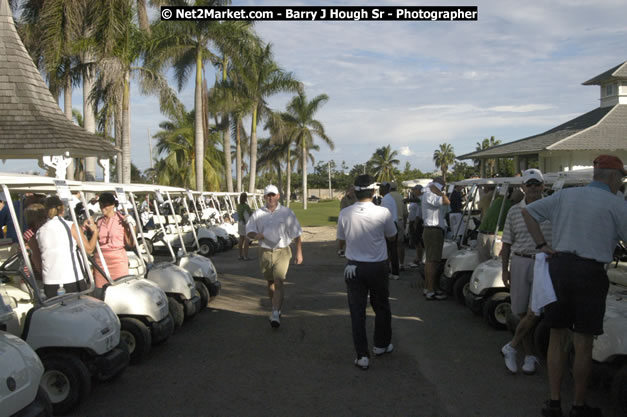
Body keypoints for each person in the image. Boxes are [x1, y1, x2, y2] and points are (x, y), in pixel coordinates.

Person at [522, 155, 627, 417]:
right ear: (613, 177)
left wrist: (540, 245)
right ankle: (579, 406)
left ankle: (554, 403)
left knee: (557, 336)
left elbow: (527, 211)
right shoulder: (616, 204)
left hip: (559, 266)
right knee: (583, 342)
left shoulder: (567, 196)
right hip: (590, 272)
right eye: (621, 178)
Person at [337, 175, 397, 370]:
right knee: (381, 306)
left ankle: (362, 355)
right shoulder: (383, 212)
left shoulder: (345, 213)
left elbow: (341, 240)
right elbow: (392, 235)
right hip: (377, 266)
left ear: (355, 191)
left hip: (354, 266)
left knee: (357, 311)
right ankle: (381, 345)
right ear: (373, 191)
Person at [500, 169, 552, 376]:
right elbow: (506, 242)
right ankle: (529, 355)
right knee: (522, 312)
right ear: (522, 187)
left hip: (544, 263)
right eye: (528, 184)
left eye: (536, 184)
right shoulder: (514, 211)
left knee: (534, 311)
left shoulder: (552, 208)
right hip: (520, 260)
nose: (532, 188)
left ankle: (511, 346)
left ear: (543, 186)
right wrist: (505, 270)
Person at [246, 184, 303, 328]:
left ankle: (275, 312)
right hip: (265, 251)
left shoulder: (286, 212)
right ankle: (275, 306)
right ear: (265, 197)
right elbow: (249, 231)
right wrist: (256, 235)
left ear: (278, 196)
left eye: (273, 195)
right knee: (270, 282)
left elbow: (297, 233)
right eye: (268, 195)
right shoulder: (258, 214)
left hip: (282, 251)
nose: (271, 198)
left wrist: (299, 252)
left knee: (278, 281)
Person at [31, 196, 98, 298]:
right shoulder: (71, 226)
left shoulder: (40, 231)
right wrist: (95, 233)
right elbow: (89, 249)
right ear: (62, 210)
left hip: (50, 281)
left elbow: (36, 259)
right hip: (72, 278)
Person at [93, 193, 136, 290]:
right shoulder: (98, 221)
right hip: (101, 261)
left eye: (105, 205)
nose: (102, 208)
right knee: (101, 290)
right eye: (101, 205)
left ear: (113, 205)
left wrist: (133, 226)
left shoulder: (122, 220)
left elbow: (130, 243)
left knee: (120, 289)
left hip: (118, 261)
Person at [476, 187, 523, 263]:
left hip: (482, 234)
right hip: (495, 237)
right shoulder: (511, 207)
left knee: (483, 264)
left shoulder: (497, 201)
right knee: (496, 264)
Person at [421, 177, 449, 300]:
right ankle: (431, 290)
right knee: (433, 261)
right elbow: (447, 201)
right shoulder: (430, 194)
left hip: (432, 229)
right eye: (442, 186)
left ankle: (429, 287)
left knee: (430, 260)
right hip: (433, 230)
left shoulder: (429, 193)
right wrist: (439, 191)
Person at [379, 182, 399, 279]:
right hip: (392, 223)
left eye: (381, 188)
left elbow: (384, 215)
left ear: (386, 189)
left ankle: (389, 271)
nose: (380, 190)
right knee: (392, 250)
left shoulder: (386, 199)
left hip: (390, 224)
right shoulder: (388, 198)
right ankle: (393, 271)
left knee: (388, 250)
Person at [389, 182, 408, 270]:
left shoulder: (387, 197)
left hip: (390, 222)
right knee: (400, 244)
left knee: (389, 245)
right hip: (400, 221)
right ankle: (401, 264)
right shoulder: (401, 197)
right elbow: (405, 213)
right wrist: (404, 224)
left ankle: (388, 265)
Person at [407, 185, 424, 268]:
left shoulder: (420, 199)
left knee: (417, 241)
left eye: (415, 189)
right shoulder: (415, 199)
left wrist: (416, 222)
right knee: (415, 241)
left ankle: (419, 259)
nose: (413, 191)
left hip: (416, 221)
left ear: (419, 190)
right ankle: (417, 258)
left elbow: (419, 211)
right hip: (412, 221)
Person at [337, 185, 356, 257]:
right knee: (343, 236)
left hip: (355, 219)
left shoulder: (357, 199)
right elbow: (342, 209)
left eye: (354, 190)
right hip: (346, 218)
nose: (353, 192)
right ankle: (340, 249)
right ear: (348, 191)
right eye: (351, 190)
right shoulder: (344, 199)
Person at [236, 192, 253, 260]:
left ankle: (240, 255)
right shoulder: (246, 206)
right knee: (247, 239)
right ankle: (246, 256)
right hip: (246, 223)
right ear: (245, 198)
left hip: (240, 223)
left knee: (241, 238)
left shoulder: (238, 206)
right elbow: (250, 213)